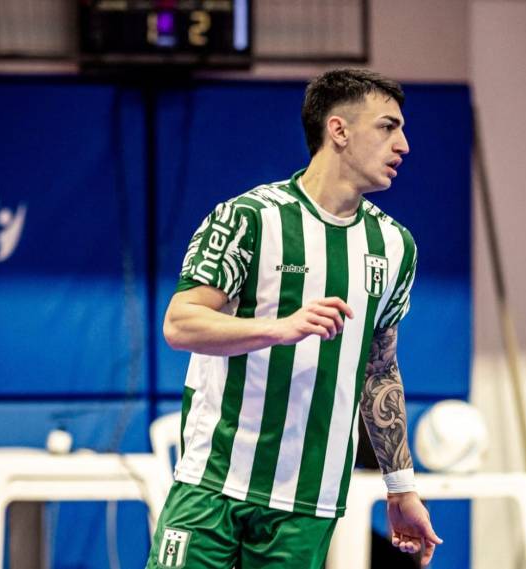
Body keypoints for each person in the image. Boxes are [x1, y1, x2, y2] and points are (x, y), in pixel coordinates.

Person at [146, 68, 442, 569]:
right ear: (338, 130)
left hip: (308, 502)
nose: (404, 145)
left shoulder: (395, 246)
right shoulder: (248, 217)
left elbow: (379, 371)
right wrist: (280, 328)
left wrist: (400, 486)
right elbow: (180, 323)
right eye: (388, 127)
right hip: (214, 483)